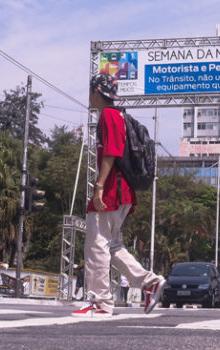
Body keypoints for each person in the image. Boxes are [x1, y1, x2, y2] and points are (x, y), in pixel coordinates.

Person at [72, 73, 165, 318]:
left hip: (112, 190)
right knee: (111, 245)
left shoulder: (108, 115)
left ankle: (100, 302)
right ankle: (149, 282)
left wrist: (99, 187)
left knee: (96, 246)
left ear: (95, 92)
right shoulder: (119, 115)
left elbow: (111, 152)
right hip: (122, 191)